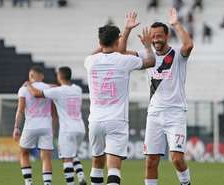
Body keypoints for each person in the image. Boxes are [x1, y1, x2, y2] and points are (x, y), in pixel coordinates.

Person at [120, 8, 193, 185]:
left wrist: (176, 23)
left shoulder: (177, 54)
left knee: (176, 159)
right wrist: (127, 29)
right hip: (154, 114)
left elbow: (189, 45)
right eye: (153, 36)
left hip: (176, 113)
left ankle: (186, 183)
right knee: (151, 161)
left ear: (167, 36)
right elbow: (120, 52)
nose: (155, 40)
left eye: (159, 36)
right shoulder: (147, 54)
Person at [84, 11, 156, 185]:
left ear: (100, 42)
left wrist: (121, 33)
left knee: (97, 163)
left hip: (95, 120)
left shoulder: (89, 61)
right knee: (114, 167)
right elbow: (151, 62)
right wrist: (147, 46)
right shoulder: (124, 61)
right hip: (117, 120)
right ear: (118, 41)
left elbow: (98, 51)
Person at [25, 67, 87, 185]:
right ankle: (81, 176)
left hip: (67, 130)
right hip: (80, 128)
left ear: (59, 76)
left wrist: (28, 84)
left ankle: (71, 183)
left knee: (66, 158)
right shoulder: (77, 89)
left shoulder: (58, 91)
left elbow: (36, 93)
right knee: (73, 154)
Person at [13, 66, 55, 185]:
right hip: (46, 126)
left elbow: (20, 110)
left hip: (30, 126)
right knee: (46, 157)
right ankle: (47, 183)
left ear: (31, 76)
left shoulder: (24, 89)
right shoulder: (48, 87)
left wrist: (16, 127)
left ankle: (28, 182)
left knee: (24, 152)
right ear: (41, 76)